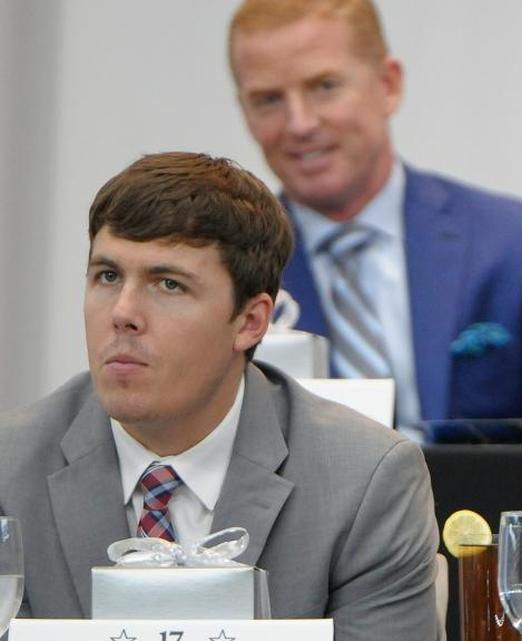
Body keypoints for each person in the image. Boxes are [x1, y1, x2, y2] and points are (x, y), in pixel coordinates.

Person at [0, 153, 439, 641]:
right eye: (107, 276)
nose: (123, 313)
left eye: (168, 284)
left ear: (250, 322)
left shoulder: (364, 482)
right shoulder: (8, 472)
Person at [227, 0, 522, 426]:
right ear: (245, 112)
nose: (299, 123)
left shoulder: (516, 244)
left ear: (388, 85)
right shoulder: (230, 266)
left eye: (324, 87)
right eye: (268, 100)